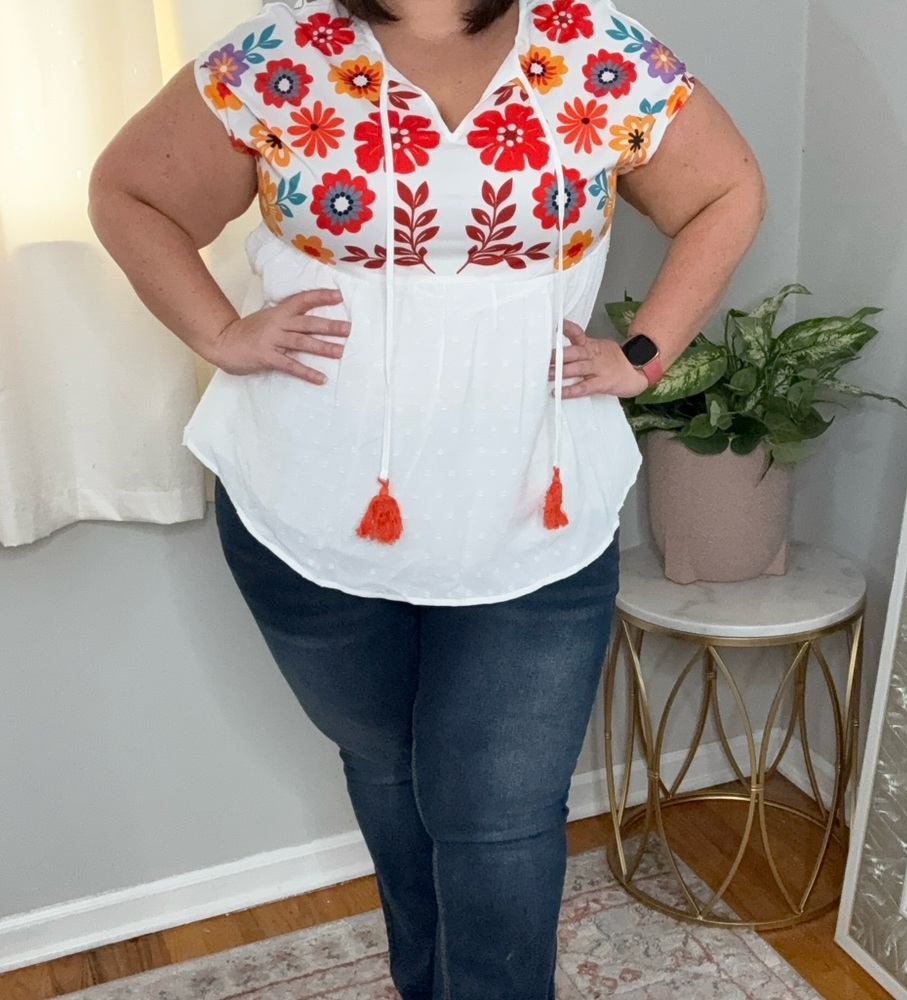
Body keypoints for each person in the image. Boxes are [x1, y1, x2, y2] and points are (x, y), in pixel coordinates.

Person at [89, 0, 765, 996]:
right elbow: (130, 192)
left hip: (533, 515)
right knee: (393, 769)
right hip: (306, 516)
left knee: (496, 815)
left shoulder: (591, 48)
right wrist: (221, 332)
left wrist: (637, 355)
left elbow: (724, 189)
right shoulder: (287, 51)